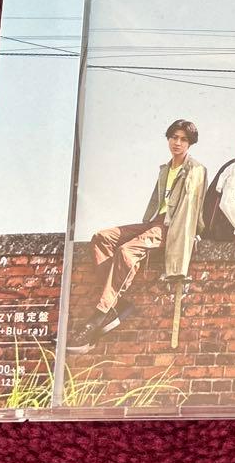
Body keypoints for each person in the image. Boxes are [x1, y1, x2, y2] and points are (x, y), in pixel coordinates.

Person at [65, 119, 207, 354]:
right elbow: (156, 204)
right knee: (101, 238)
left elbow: (190, 208)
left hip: (173, 227)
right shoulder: (165, 169)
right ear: (168, 139)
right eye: (174, 137)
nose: (177, 143)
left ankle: (97, 318)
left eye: (184, 139)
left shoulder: (195, 169)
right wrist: (147, 225)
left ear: (190, 143)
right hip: (154, 222)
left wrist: (186, 238)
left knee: (127, 251)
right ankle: (117, 304)